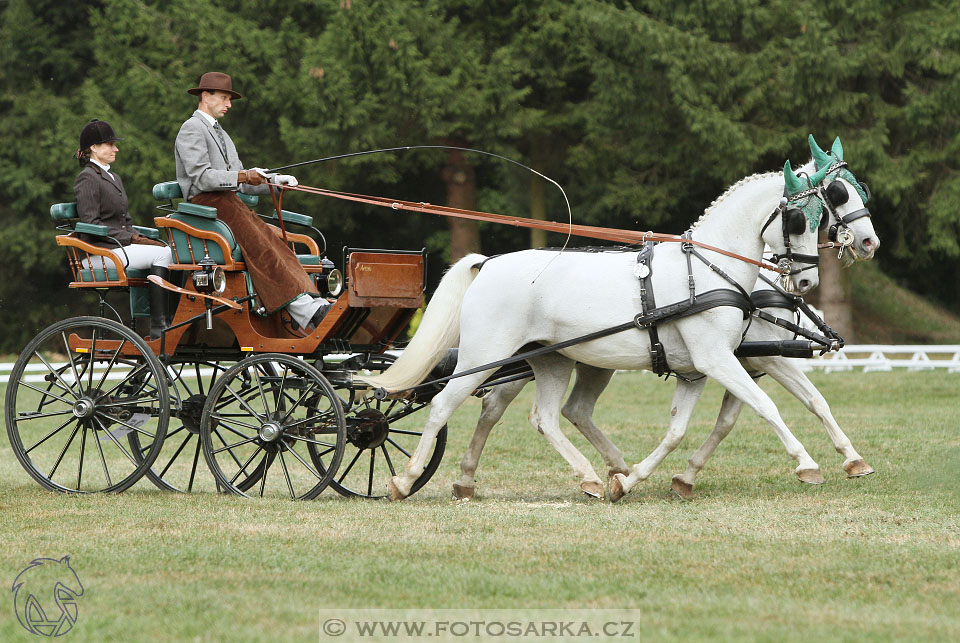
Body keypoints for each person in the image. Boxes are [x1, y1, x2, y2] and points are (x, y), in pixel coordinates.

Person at [174, 71, 330, 331]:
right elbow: (201, 177)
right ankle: (306, 311)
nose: (229, 104)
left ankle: (310, 302)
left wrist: (275, 182)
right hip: (205, 206)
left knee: (275, 238)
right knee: (260, 242)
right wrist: (243, 175)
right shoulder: (191, 128)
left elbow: (243, 181)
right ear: (205, 96)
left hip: (227, 203)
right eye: (224, 97)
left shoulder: (222, 134)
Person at [74, 119, 173, 338]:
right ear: (94, 148)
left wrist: (136, 235)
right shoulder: (87, 178)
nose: (115, 148)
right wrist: (132, 238)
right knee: (164, 254)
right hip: (99, 252)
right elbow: (91, 225)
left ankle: (165, 320)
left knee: (167, 250)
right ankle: (159, 327)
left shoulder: (113, 177)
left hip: (116, 247)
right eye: (110, 144)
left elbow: (124, 221)